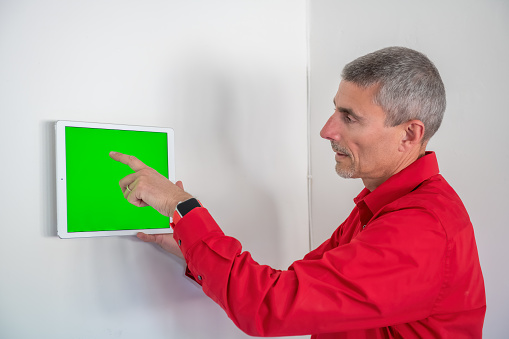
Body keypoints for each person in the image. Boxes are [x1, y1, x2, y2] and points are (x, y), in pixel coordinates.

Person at [110, 47, 486, 338]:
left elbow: (270, 307)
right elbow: (294, 288)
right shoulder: (382, 207)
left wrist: (181, 206)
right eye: (335, 111)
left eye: (349, 117)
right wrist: (193, 250)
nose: (326, 130)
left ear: (409, 134)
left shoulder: (419, 228)